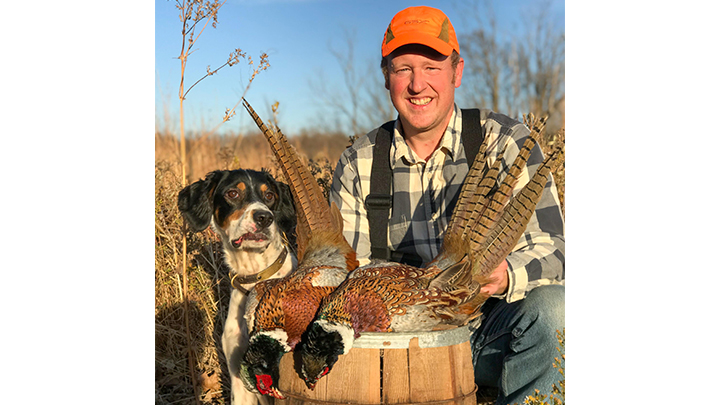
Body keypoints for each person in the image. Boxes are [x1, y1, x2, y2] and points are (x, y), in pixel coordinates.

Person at [328, 6, 565, 405]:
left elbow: (557, 251)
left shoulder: (506, 143)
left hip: (487, 333)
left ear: (457, 71)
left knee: (557, 311)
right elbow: (343, 277)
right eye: (403, 69)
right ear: (386, 77)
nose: (417, 84)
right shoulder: (359, 162)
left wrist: (503, 275)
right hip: (395, 344)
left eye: (432, 67)